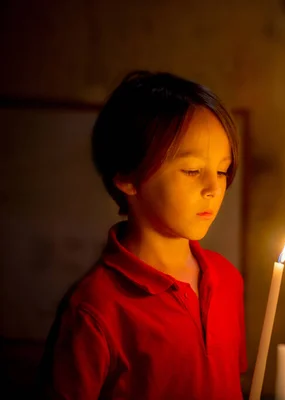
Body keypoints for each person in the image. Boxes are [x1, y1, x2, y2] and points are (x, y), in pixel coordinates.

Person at [37, 71, 247, 399]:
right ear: (128, 178)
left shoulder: (226, 280)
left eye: (222, 170)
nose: (214, 188)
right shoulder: (96, 308)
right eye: (193, 171)